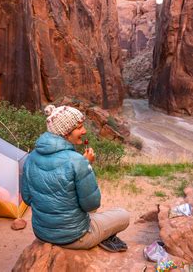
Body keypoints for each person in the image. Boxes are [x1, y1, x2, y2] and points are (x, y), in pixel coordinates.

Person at [21, 104, 130, 252]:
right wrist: (85, 165)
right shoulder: (77, 161)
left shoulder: (31, 157)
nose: (84, 131)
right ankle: (101, 238)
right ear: (65, 132)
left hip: (42, 234)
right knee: (123, 216)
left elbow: (27, 198)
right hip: (75, 237)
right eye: (79, 127)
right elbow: (92, 205)